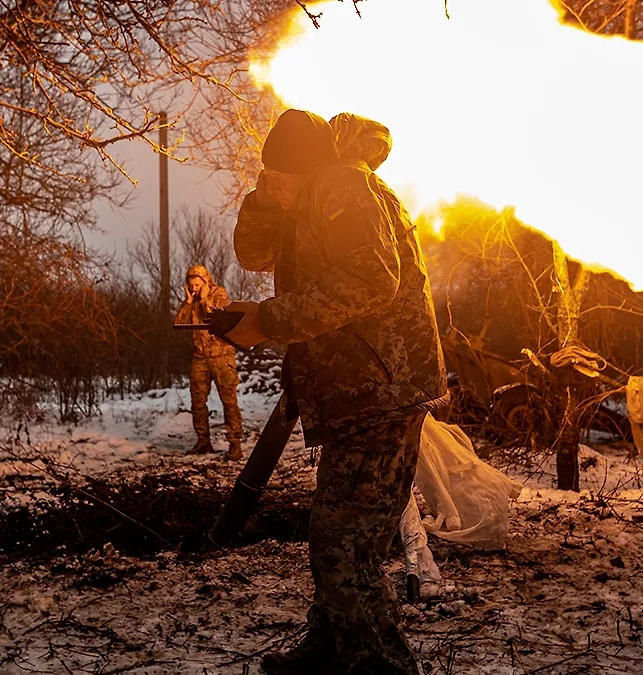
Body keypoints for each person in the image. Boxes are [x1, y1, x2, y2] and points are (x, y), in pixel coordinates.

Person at [226, 110, 449, 675]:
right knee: (337, 532)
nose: (268, 185)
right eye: (264, 175)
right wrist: (263, 198)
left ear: (306, 169)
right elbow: (253, 255)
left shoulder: (342, 184)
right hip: (359, 393)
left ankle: (380, 665)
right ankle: (331, 648)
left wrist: (271, 320)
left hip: (381, 389)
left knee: (344, 542)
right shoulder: (306, 201)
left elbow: (374, 277)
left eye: (278, 176)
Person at [174, 265, 243, 460]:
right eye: (191, 284)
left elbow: (218, 318)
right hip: (200, 358)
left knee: (229, 401)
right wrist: (188, 302)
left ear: (206, 281)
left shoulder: (219, 294)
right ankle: (203, 441)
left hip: (222, 356)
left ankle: (234, 444)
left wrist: (204, 299)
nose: (194, 287)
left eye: (197, 283)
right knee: (197, 402)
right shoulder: (192, 300)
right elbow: (179, 324)